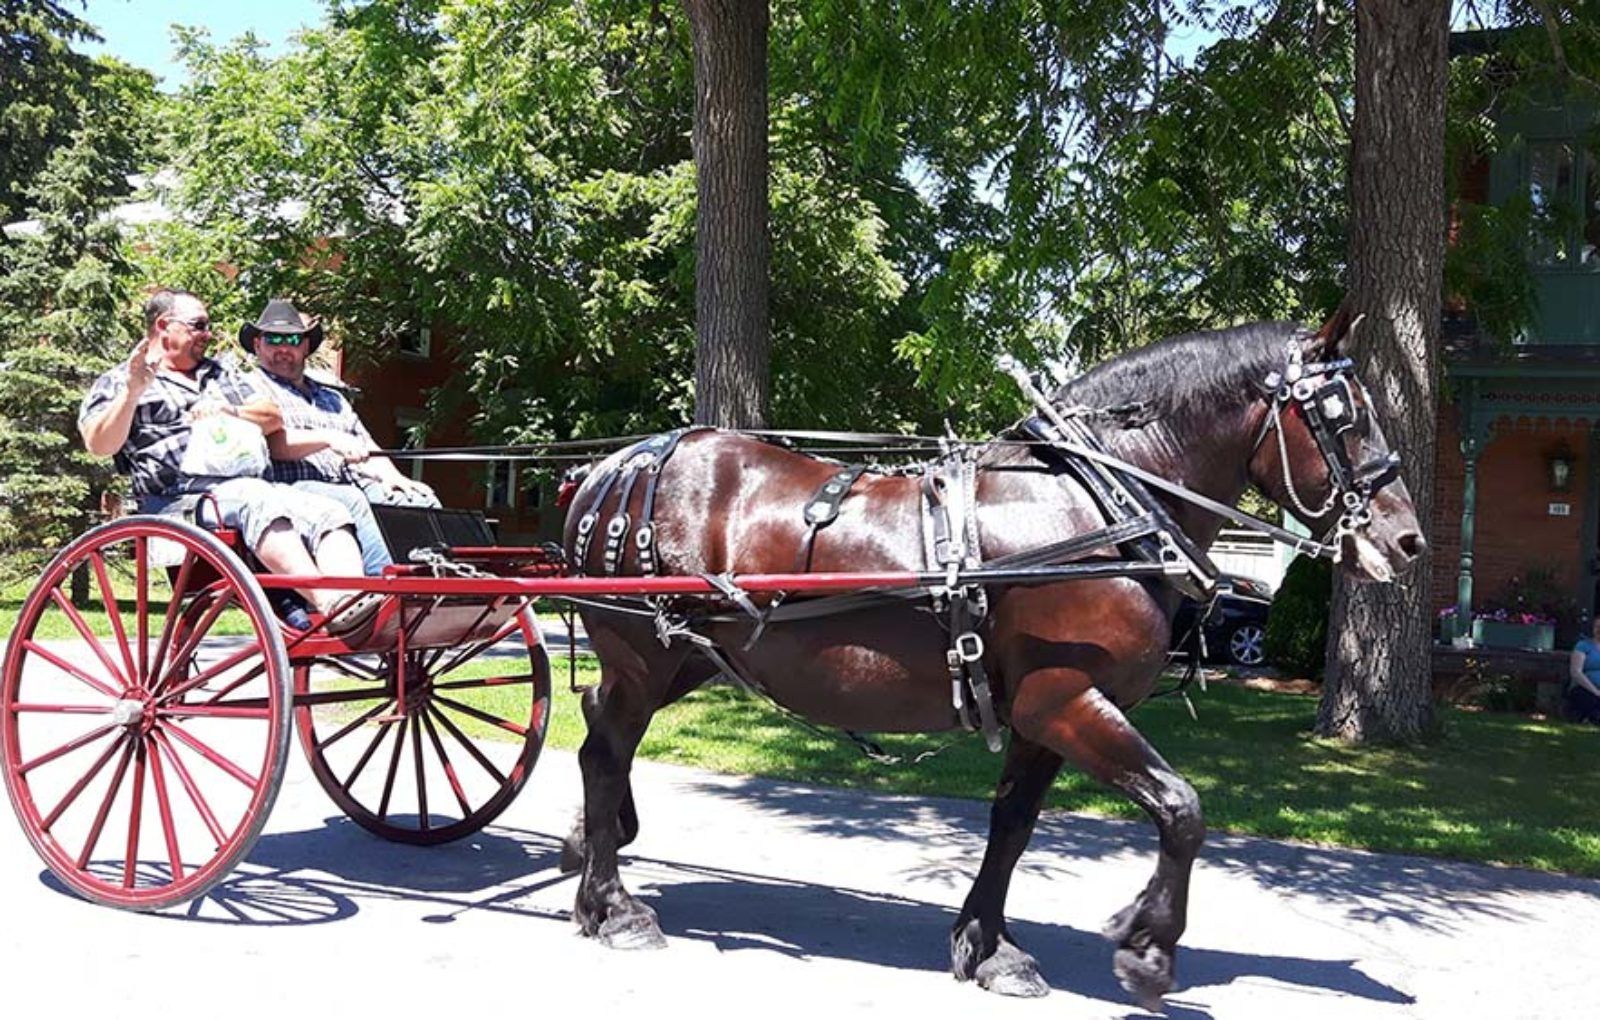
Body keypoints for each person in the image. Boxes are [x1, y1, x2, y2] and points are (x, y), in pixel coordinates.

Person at [78, 288, 381, 633]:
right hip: (178, 500)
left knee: (331, 510)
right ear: (163, 325)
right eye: (199, 325)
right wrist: (132, 392)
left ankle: (353, 604)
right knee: (256, 501)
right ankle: (329, 604)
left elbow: (272, 416)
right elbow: (99, 444)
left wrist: (229, 410)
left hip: (247, 485)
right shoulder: (120, 380)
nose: (208, 334)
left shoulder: (220, 374)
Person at [239, 298, 439, 575]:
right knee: (350, 498)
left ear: (305, 346)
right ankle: (384, 586)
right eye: (273, 339)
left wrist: (396, 479)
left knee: (419, 499)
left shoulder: (332, 398)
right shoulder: (249, 387)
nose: (283, 348)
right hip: (288, 489)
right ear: (258, 344)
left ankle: (446, 583)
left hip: (349, 483)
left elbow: (366, 447)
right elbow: (274, 445)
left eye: (293, 339)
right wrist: (328, 437)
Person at [1566, 616, 1600, 725]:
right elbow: (1576, 672)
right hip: (1585, 688)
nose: (1599, 630)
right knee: (1588, 699)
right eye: (1597, 627)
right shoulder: (1583, 646)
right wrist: (1596, 692)